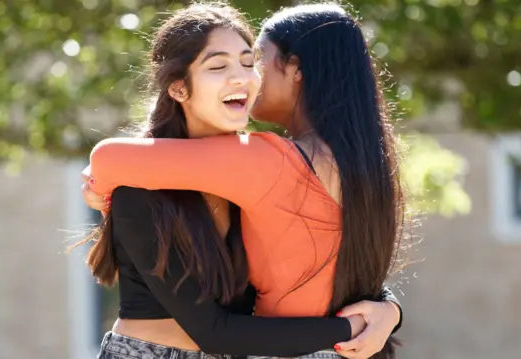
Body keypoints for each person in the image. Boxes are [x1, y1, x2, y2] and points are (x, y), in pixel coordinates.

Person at [77, 3, 403, 359]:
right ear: (179, 88)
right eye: (218, 66)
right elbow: (214, 331)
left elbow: (323, 261)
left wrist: (387, 309)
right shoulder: (142, 184)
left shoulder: (256, 169)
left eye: (250, 63)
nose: (242, 77)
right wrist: (362, 323)